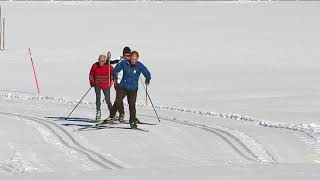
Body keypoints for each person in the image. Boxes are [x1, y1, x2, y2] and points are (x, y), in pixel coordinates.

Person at [104, 51, 151, 128]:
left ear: (137, 59)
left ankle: (132, 121)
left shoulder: (139, 65)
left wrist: (148, 78)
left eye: (135, 59)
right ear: (130, 58)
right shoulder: (124, 63)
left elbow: (147, 72)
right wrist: (114, 75)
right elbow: (115, 70)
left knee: (132, 105)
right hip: (123, 87)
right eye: (132, 59)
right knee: (118, 102)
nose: (133, 61)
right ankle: (111, 117)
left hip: (133, 89)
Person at [108, 47, 132, 122]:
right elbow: (109, 62)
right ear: (123, 54)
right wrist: (108, 58)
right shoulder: (119, 59)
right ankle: (121, 113)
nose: (127, 57)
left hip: (127, 82)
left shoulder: (132, 61)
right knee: (119, 99)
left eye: (128, 55)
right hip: (118, 81)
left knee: (128, 99)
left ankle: (131, 116)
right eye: (125, 55)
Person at [89, 53, 114, 121]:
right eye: (100, 61)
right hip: (97, 84)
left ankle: (112, 113)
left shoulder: (108, 67)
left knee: (107, 99)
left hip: (106, 85)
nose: (101, 62)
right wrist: (92, 82)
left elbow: (114, 73)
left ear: (105, 61)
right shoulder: (94, 65)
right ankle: (98, 111)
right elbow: (91, 74)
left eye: (102, 61)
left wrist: (113, 78)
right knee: (98, 97)